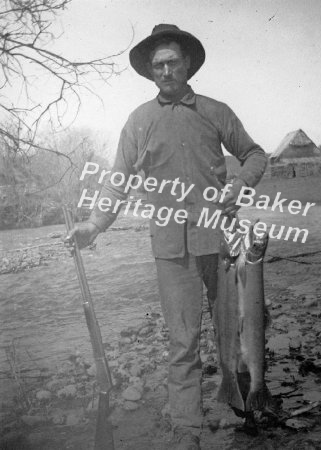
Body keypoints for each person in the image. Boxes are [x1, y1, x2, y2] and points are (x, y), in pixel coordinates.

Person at [67, 24, 267, 450]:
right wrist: (95, 224)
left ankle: (250, 406)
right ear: (150, 72)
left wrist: (241, 184)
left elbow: (254, 154)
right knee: (182, 341)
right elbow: (117, 180)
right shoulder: (139, 121)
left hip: (222, 243)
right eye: (157, 65)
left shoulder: (216, 111)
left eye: (172, 62)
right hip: (171, 250)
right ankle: (187, 429)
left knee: (237, 329)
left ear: (188, 64)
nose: (165, 71)